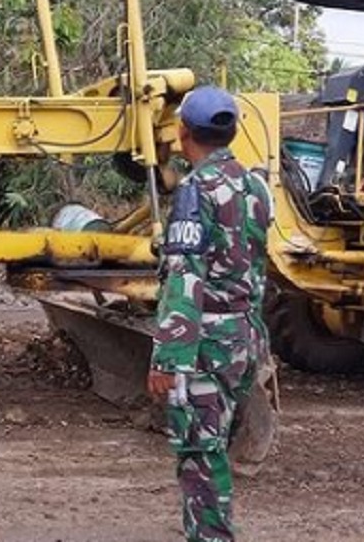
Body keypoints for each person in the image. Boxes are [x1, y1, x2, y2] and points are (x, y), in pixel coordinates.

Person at [147, 86, 272, 542]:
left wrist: (167, 358)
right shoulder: (255, 184)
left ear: (183, 133)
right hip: (245, 338)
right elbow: (254, 262)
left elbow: (186, 277)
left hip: (205, 345)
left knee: (200, 453)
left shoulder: (196, 191)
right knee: (214, 446)